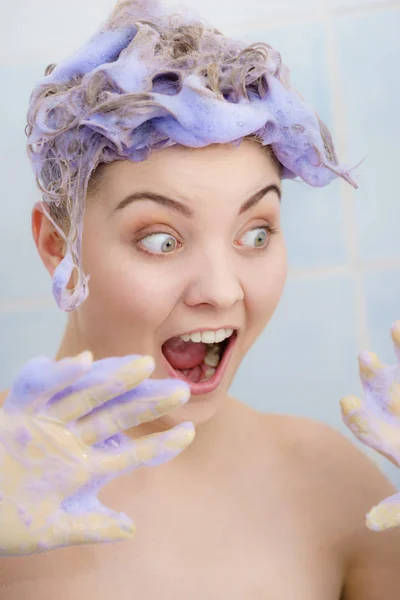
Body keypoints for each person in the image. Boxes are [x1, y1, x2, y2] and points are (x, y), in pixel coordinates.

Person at [0, 0, 400, 597]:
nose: (220, 289)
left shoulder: (335, 489)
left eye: (255, 233)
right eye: (161, 240)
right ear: (59, 247)